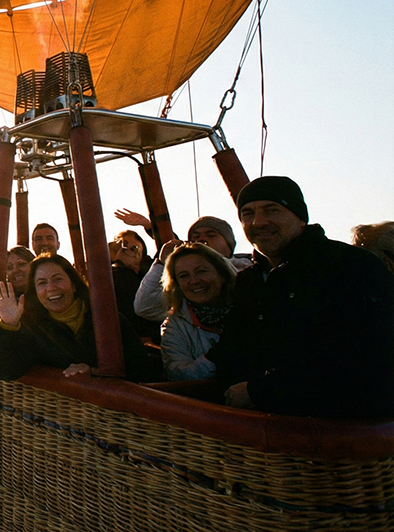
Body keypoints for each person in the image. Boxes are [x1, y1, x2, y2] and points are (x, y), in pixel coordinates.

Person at [206, 176, 394, 417]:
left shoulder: (350, 266)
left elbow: (364, 355)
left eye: (271, 210)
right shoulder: (249, 281)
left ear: (300, 217)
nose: (258, 221)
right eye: (247, 213)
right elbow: (234, 350)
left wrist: (261, 391)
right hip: (262, 432)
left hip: (339, 431)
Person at [0, 254, 160, 382]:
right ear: (35, 291)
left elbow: (142, 369)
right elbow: (4, 371)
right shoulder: (34, 328)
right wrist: (8, 325)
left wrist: (93, 372)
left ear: (74, 284)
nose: (51, 288)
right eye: (42, 283)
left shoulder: (107, 320)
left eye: (58, 279)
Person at [134, 216, 252, 323]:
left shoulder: (251, 271)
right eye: (195, 237)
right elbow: (145, 308)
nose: (202, 240)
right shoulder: (185, 289)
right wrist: (161, 263)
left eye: (211, 235)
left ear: (229, 244)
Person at [159, 243, 236, 380]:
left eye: (201, 271)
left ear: (222, 275)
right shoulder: (175, 325)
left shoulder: (250, 309)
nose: (194, 281)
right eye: (184, 276)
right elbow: (178, 374)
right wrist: (215, 356)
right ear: (176, 284)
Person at [110, 230, 159, 343]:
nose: (125, 251)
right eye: (122, 245)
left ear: (140, 258)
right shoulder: (105, 275)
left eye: (133, 249)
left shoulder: (151, 277)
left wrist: (149, 226)